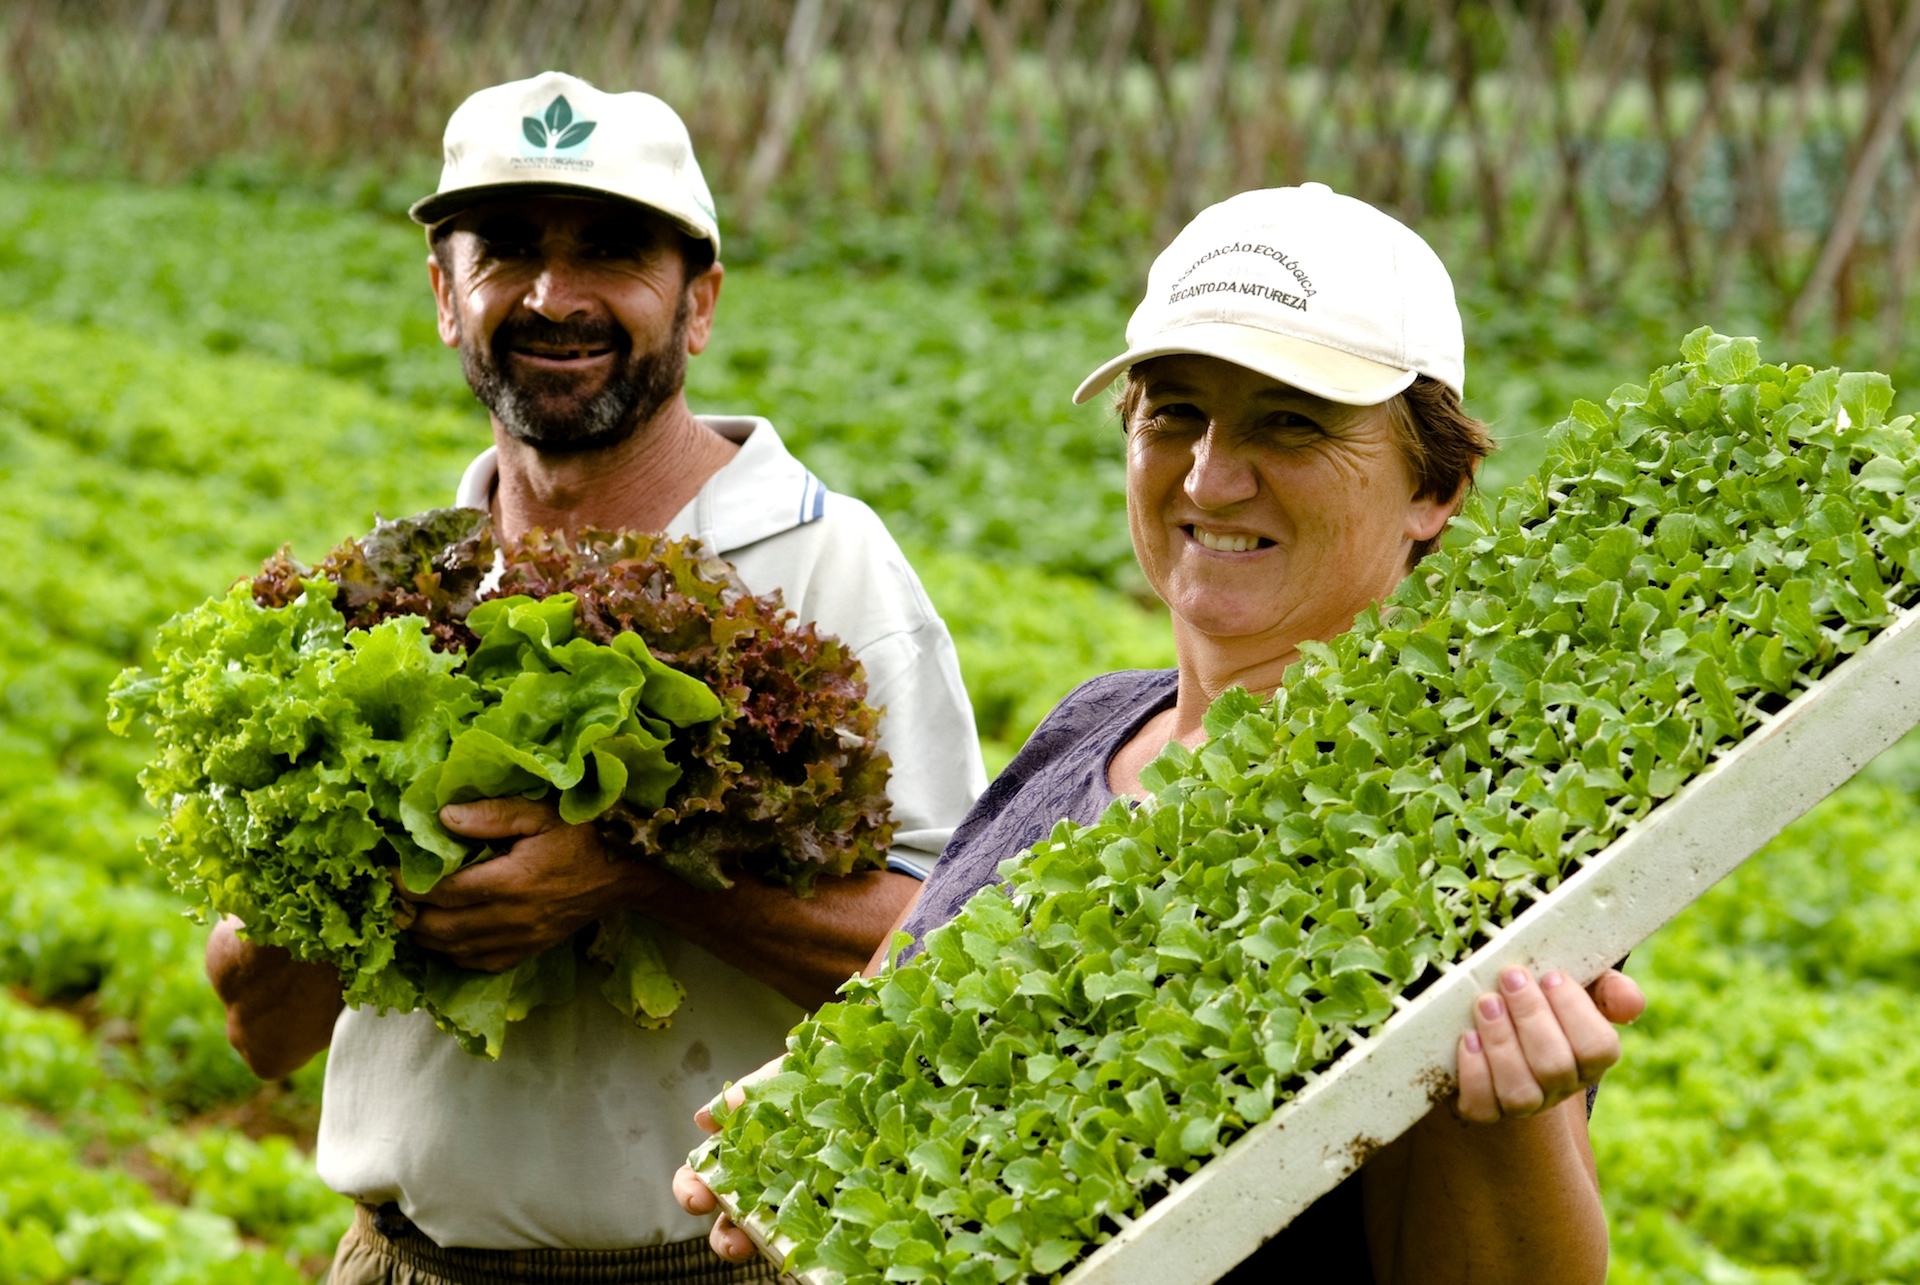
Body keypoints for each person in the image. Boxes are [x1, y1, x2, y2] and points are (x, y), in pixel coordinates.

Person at [674, 184, 1647, 1283]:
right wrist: (826, 1116)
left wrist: (1513, 1119)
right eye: (1173, 410)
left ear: (1438, 486)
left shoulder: (1459, 827)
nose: (1208, 476)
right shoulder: (1092, 722)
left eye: (1292, 420)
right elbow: (909, 1028)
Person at [202, 71, 988, 1283]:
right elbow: (263, 1033)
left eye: (612, 251)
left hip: (708, 1266)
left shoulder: (829, 566)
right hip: (401, 1262)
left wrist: (639, 872)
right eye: (507, 251)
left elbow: (947, 957)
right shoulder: (398, 593)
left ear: (700, 301)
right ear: (444, 298)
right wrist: (334, 888)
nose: (554, 296)